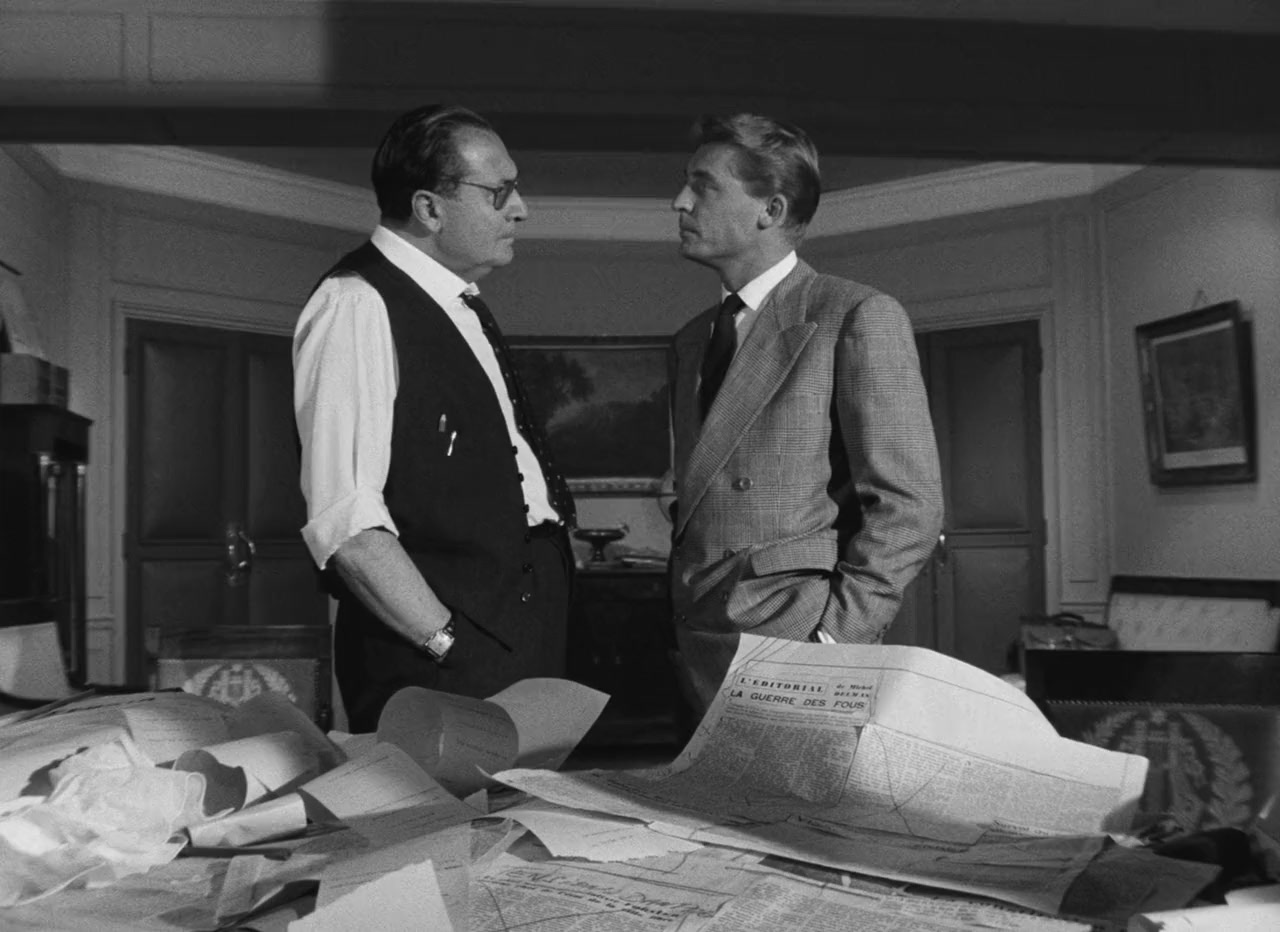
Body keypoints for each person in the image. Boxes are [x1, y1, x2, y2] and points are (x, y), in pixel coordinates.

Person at [293, 104, 575, 732]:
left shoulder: (456, 303)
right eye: (499, 191)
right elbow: (347, 525)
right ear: (428, 208)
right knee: (437, 803)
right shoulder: (356, 304)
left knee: (522, 798)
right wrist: (448, 644)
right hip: (444, 660)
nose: (521, 209)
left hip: (512, 641)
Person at [668, 113, 944, 717]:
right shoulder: (692, 340)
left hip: (799, 643)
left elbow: (911, 507)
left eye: (703, 186)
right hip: (698, 642)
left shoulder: (856, 314)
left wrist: (835, 639)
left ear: (770, 210)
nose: (679, 201)